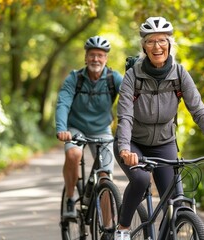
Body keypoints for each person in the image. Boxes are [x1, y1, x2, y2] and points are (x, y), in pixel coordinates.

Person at [113, 17, 204, 240]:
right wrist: (124, 149)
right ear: (144, 47)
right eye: (150, 41)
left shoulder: (179, 74)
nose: (157, 46)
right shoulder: (133, 76)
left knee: (175, 202)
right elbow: (126, 116)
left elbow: (199, 111)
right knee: (140, 179)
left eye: (162, 40)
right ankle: (122, 228)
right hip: (133, 143)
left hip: (164, 144)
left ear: (169, 44)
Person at [55, 35, 122, 219]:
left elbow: (130, 98)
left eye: (100, 55)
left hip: (102, 130)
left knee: (106, 178)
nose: (96, 59)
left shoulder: (113, 78)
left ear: (106, 59)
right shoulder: (74, 78)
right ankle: (70, 198)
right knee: (73, 154)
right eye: (92, 55)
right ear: (86, 57)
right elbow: (63, 103)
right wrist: (62, 128)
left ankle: (107, 229)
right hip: (76, 128)